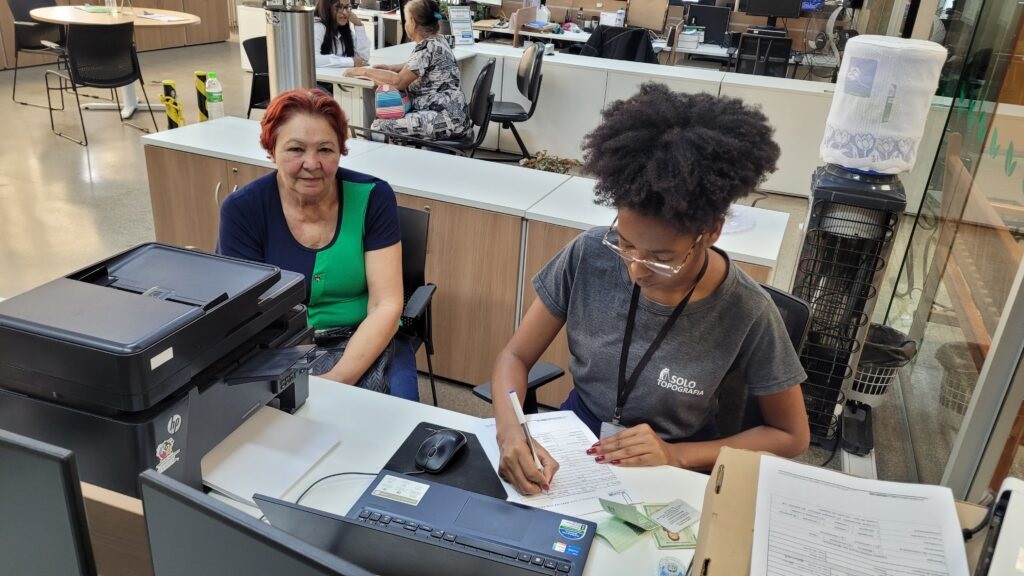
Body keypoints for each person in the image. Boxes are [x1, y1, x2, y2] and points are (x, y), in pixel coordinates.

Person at [491, 84, 810, 495]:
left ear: (710, 233)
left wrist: (678, 456)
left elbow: (791, 435)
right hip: (576, 443)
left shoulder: (748, 311)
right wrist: (511, 431)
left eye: (661, 257)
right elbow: (514, 356)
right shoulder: (589, 254)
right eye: (625, 244)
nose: (636, 269)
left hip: (675, 465)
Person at [218, 89, 420, 402]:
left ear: (341, 150)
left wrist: (336, 379)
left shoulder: (373, 198)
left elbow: (385, 305)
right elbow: (244, 318)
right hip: (278, 346)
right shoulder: (243, 210)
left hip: (364, 339)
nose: (312, 163)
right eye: (295, 149)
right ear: (271, 149)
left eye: (325, 149)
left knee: (392, 433)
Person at [344, 0, 470, 140]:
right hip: (455, 115)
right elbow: (419, 65)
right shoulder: (439, 40)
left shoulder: (426, 47)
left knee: (378, 127)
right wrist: (391, 68)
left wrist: (362, 71)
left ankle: (390, 161)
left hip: (444, 119)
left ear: (413, 22)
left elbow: (399, 82)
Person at [314, 0, 370, 69]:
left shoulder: (342, 29)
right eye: (339, 7)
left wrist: (358, 24)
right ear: (327, 8)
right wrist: (351, 61)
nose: (345, 12)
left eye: (347, 7)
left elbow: (363, 59)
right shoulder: (318, 26)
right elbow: (314, 59)